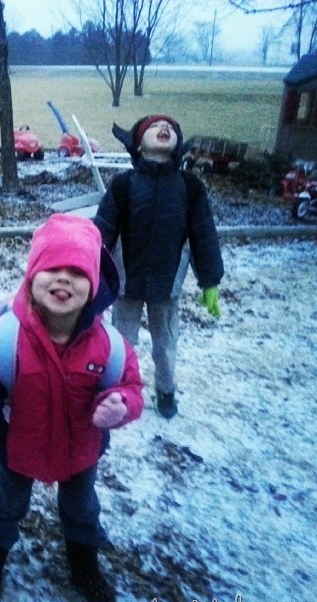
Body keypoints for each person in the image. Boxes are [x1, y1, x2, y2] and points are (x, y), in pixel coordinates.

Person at [0, 214, 144, 602]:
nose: (64, 278)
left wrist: (121, 405)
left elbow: (131, 388)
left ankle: (84, 569)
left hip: (80, 451)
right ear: (32, 275)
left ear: (94, 284)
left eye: (77, 272)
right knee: (6, 506)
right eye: (52, 268)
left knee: (82, 510)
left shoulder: (111, 347)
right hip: (20, 447)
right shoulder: (3, 337)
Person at [92, 115, 224, 419]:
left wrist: (210, 280)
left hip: (167, 285)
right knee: (122, 341)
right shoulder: (123, 185)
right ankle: (117, 387)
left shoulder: (190, 187)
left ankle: (165, 389)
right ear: (138, 143)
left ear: (178, 144)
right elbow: (103, 231)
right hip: (127, 280)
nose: (163, 129)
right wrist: (90, 269)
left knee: (165, 344)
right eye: (154, 127)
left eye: (170, 128)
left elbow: (203, 233)